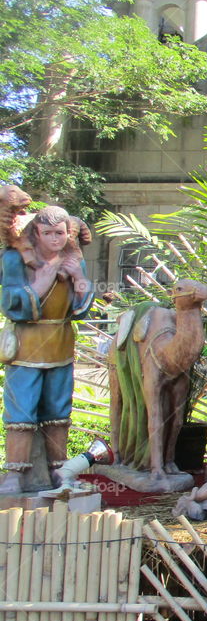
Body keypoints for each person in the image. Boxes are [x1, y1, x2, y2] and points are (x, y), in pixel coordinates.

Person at [1, 206, 93, 493]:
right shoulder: (14, 259)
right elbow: (10, 301)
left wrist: (78, 276)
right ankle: (15, 473)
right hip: (27, 346)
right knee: (21, 411)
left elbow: (81, 309)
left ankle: (59, 471)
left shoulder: (75, 261)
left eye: (61, 233)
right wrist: (46, 276)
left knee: (58, 411)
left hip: (61, 345)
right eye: (48, 233)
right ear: (36, 233)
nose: (55, 239)